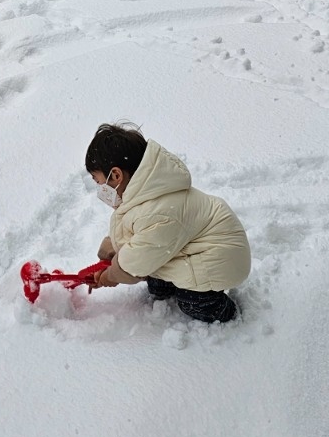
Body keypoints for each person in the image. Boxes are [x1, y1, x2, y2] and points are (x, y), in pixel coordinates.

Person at [85, 123, 250, 323]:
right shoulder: (146, 194)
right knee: (156, 283)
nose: (99, 189)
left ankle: (225, 311)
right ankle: (171, 284)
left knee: (191, 301)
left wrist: (110, 275)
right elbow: (138, 233)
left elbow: (139, 258)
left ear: (116, 175)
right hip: (197, 248)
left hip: (223, 258)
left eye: (98, 181)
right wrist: (112, 248)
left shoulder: (160, 211)